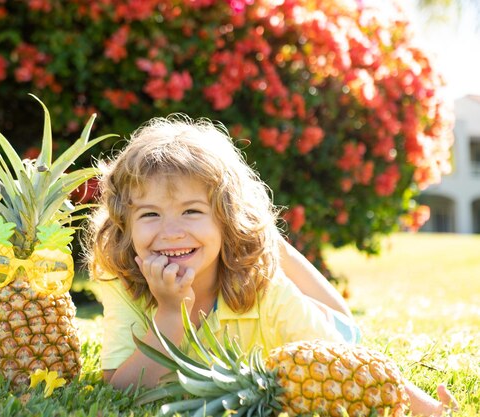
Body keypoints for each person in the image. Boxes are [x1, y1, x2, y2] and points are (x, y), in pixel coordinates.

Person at [84, 114, 457, 415]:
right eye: (150, 214)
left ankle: (263, 239)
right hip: (232, 264)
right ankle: (256, 236)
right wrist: (168, 313)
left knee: (341, 324)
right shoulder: (122, 277)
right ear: (124, 223)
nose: (171, 232)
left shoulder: (264, 289)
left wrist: (426, 408)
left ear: (223, 217)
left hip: (320, 322)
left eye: (191, 211)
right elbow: (120, 390)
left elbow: (351, 362)